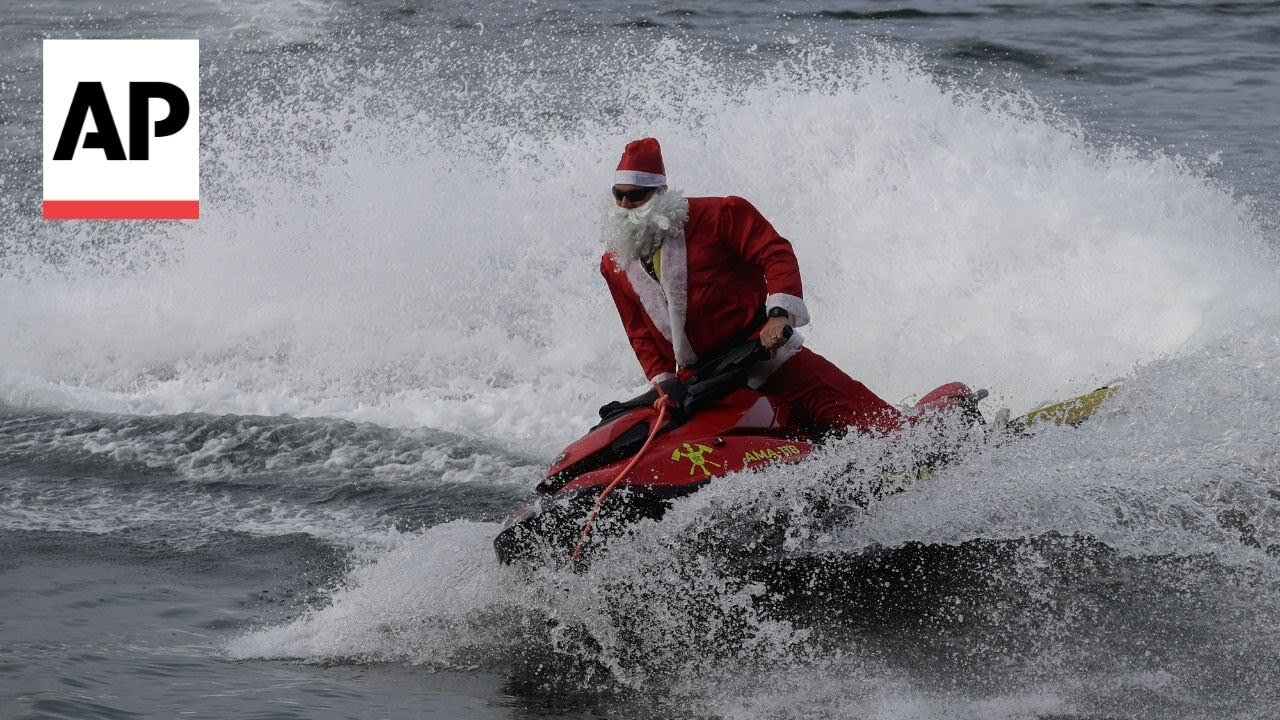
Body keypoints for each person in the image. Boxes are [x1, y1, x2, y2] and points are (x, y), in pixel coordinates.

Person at [600, 137, 904, 437]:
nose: (626, 204)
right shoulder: (614, 264)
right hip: (702, 382)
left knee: (873, 424)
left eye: (636, 195)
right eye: (619, 195)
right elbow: (638, 332)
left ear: (660, 193)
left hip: (764, 354)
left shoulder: (721, 215)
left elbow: (775, 253)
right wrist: (664, 382)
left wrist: (779, 314)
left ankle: (913, 438)